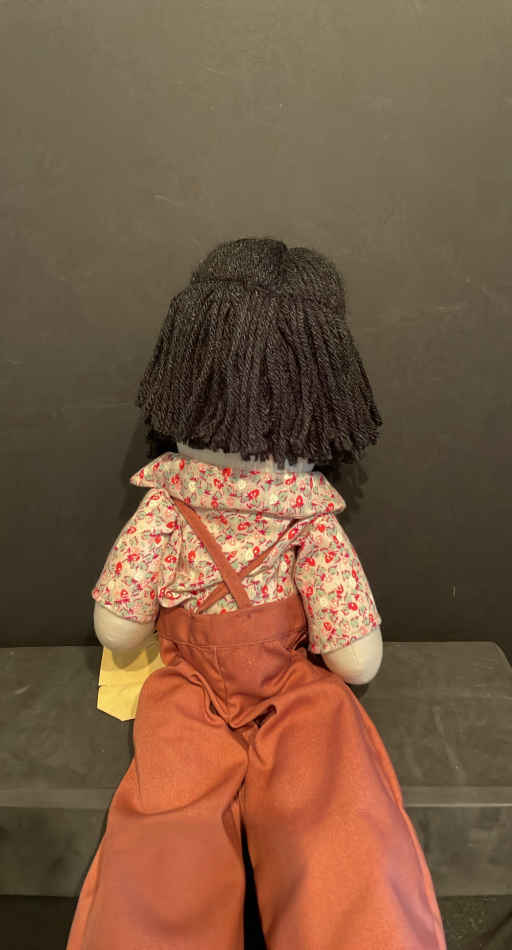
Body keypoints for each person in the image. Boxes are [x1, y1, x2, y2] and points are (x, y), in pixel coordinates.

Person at [66, 237, 447, 949]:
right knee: (337, 833)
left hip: (197, 687)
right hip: (286, 685)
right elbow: (355, 657)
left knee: (166, 843)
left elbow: (118, 626)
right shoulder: (307, 518)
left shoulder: (168, 506)